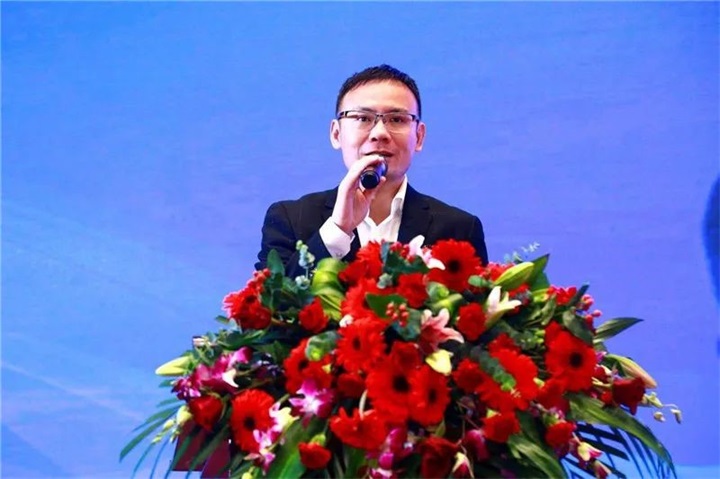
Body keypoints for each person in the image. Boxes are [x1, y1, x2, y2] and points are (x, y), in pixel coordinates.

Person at [255, 64, 488, 278]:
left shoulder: (460, 229)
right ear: (336, 134)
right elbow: (273, 305)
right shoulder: (290, 219)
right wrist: (338, 230)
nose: (380, 133)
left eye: (397, 119)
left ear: (419, 136)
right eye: (362, 118)